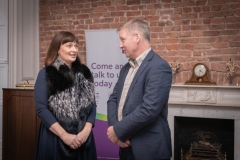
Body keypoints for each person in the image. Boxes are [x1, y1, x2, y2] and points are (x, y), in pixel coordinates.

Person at [107, 19, 172, 160]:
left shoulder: (159, 67)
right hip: (125, 146)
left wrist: (117, 130)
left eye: (123, 40)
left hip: (149, 149)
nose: (120, 45)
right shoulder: (126, 68)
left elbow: (149, 109)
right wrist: (117, 133)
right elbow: (113, 99)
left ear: (137, 37)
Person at [34, 31, 97, 160]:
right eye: (69, 46)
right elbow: (41, 108)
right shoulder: (46, 73)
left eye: (76, 46)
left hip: (83, 139)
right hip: (55, 138)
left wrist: (86, 130)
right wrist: (64, 135)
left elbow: (93, 103)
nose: (74, 50)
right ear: (57, 49)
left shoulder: (85, 72)